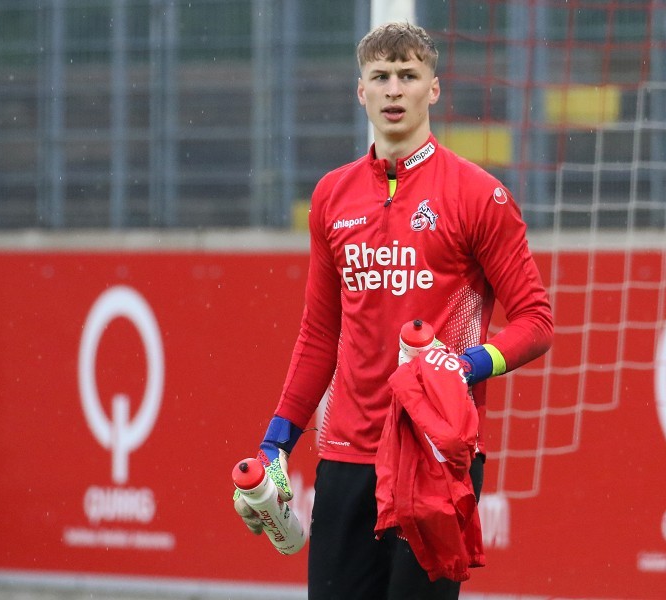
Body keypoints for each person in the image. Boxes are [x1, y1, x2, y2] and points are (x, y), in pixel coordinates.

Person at [235, 21, 553, 600]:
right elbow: (319, 336)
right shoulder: (331, 196)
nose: (394, 89)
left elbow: (536, 322)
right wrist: (276, 443)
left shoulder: (479, 195)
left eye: (408, 75)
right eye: (380, 77)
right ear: (361, 91)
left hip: (437, 456)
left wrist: (464, 367)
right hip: (345, 456)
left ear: (434, 88)